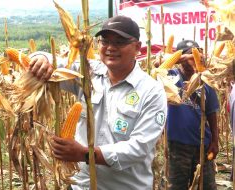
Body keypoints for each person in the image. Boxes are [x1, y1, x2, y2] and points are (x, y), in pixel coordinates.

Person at [29, 15, 167, 190]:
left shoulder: (151, 91)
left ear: (137, 47)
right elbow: (52, 61)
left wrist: (84, 154)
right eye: (105, 41)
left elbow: (138, 149)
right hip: (81, 185)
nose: (110, 48)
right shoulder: (87, 73)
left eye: (119, 42)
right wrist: (41, 58)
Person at [166, 39, 219, 190]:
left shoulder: (205, 79)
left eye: (197, 53)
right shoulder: (169, 76)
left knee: (207, 185)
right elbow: (156, 67)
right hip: (177, 144)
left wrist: (215, 140)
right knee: (177, 186)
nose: (196, 58)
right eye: (191, 55)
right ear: (180, 58)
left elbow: (212, 112)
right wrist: (180, 57)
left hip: (203, 144)